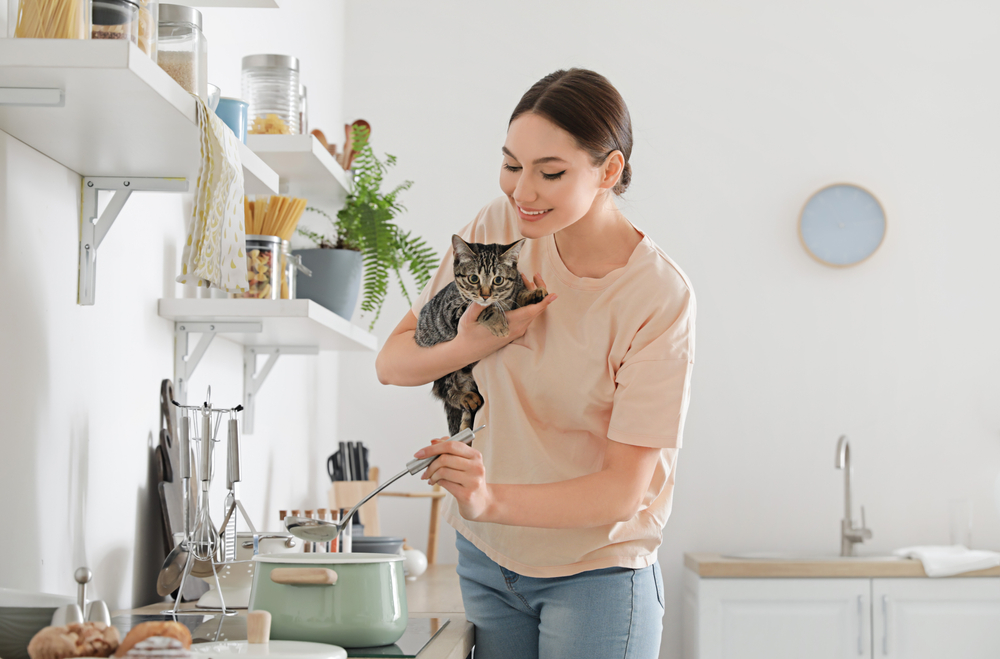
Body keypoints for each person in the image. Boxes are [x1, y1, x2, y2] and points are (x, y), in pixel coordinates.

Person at [375, 68, 695, 659]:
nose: (522, 191)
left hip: (596, 573)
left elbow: (622, 492)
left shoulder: (657, 296)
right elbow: (394, 362)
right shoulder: (498, 230)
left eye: (550, 173)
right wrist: (474, 343)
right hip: (486, 558)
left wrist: (488, 498)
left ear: (609, 170)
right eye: (510, 164)